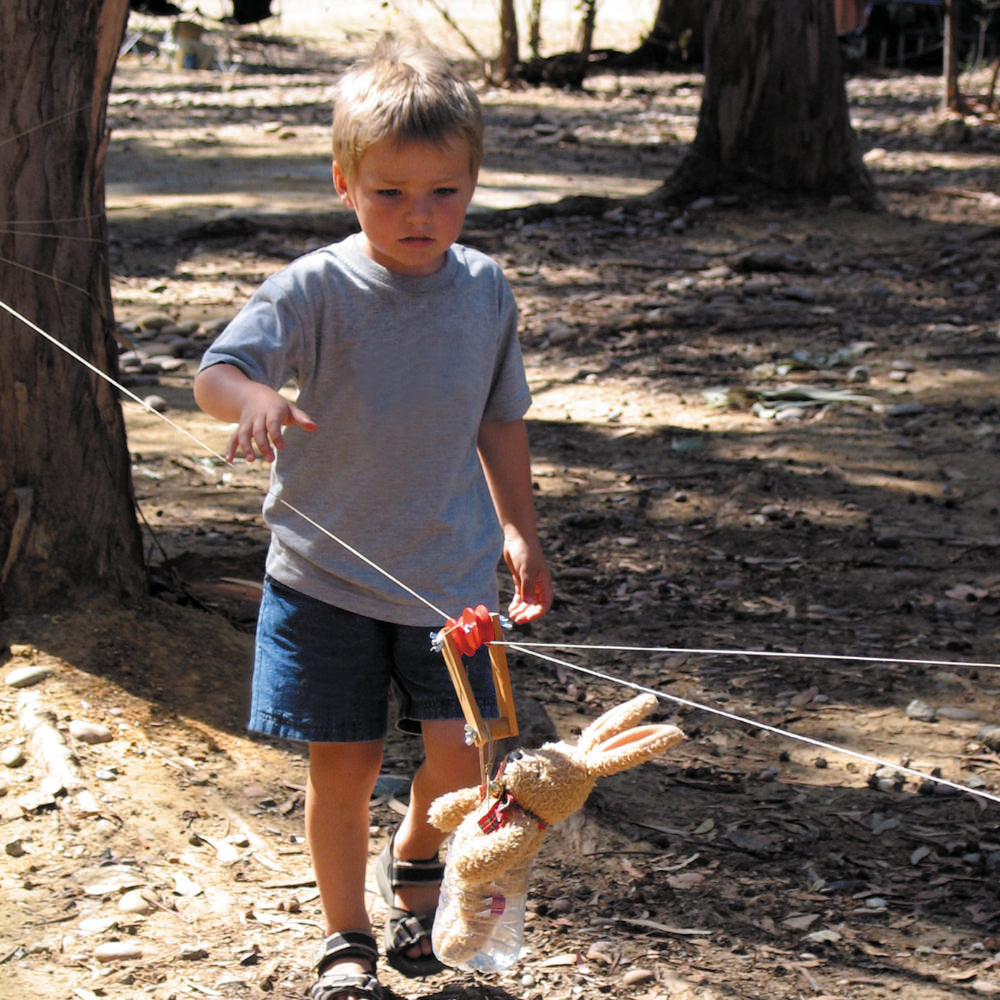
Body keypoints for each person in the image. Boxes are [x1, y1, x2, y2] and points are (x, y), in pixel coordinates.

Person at [193, 39, 553, 1000]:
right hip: (323, 582)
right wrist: (254, 402)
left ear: (472, 187)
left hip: (453, 580)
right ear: (345, 183)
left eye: (444, 192)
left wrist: (520, 527)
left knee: (466, 760)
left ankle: (418, 856)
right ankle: (346, 939)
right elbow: (216, 375)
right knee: (343, 766)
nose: (419, 215)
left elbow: (498, 416)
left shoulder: (484, 290)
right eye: (391, 193)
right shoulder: (315, 287)